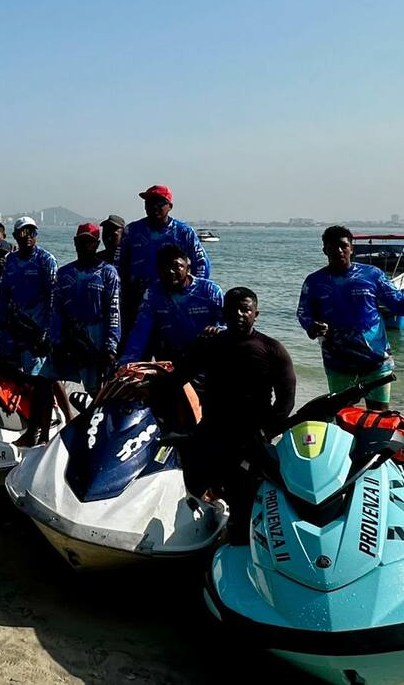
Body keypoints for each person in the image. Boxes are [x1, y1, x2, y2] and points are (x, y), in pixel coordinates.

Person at [149, 287, 295, 540]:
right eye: (233, 309)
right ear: (223, 312)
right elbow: (179, 377)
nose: (239, 314)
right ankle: (193, 531)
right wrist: (146, 394)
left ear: (256, 314)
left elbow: (286, 401)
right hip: (212, 427)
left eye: (245, 309)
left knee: (244, 499)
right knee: (190, 482)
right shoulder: (210, 345)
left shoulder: (272, 350)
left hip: (251, 436)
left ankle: (239, 541)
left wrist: (265, 432)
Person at [297, 225, 404, 411]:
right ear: (325, 250)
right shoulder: (315, 281)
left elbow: (399, 302)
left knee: (379, 416)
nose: (339, 251)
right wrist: (312, 326)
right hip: (338, 362)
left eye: (343, 246)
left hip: (376, 360)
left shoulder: (372, 275)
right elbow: (303, 313)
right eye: (333, 247)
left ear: (352, 248)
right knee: (343, 416)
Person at [117, 186, 210, 329]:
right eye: (149, 202)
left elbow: (202, 264)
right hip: (137, 301)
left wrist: (191, 293)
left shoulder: (183, 232)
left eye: (159, 203)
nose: (154, 206)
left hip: (172, 300)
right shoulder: (132, 231)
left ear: (170, 206)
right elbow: (119, 265)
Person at [43, 223, 121, 393]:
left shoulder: (108, 273)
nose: (85, 246)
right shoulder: (64, 273)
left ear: (97, 244)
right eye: (81, 241)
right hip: (69, 334)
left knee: (95, 392)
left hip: (96, 336)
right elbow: (56, 309)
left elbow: (114, 312)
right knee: (45, 382)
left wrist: (110, 347)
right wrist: (55, 340)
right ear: (75, 242)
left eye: (90, 241)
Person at [118, 244, 223, 366]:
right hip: (171, 363)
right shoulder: (153, 294)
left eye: (176, 266)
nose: (170, 271)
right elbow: (140, 332)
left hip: (207, 361)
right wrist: (125, 364)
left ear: (188, 268)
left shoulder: (209, 291)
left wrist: (219, 331)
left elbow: (228, 324)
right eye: (165, 267)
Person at [0, 217, 58, 375]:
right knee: (9, 374)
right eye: (24, 232)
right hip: (14, 328)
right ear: (15, 235)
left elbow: (54, 300)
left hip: (37, 331)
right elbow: (3, 296)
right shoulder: (10, 260)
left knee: (36, 377)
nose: (28, 236)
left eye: (32, 232)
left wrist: (48, 332)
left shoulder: (46, 260)